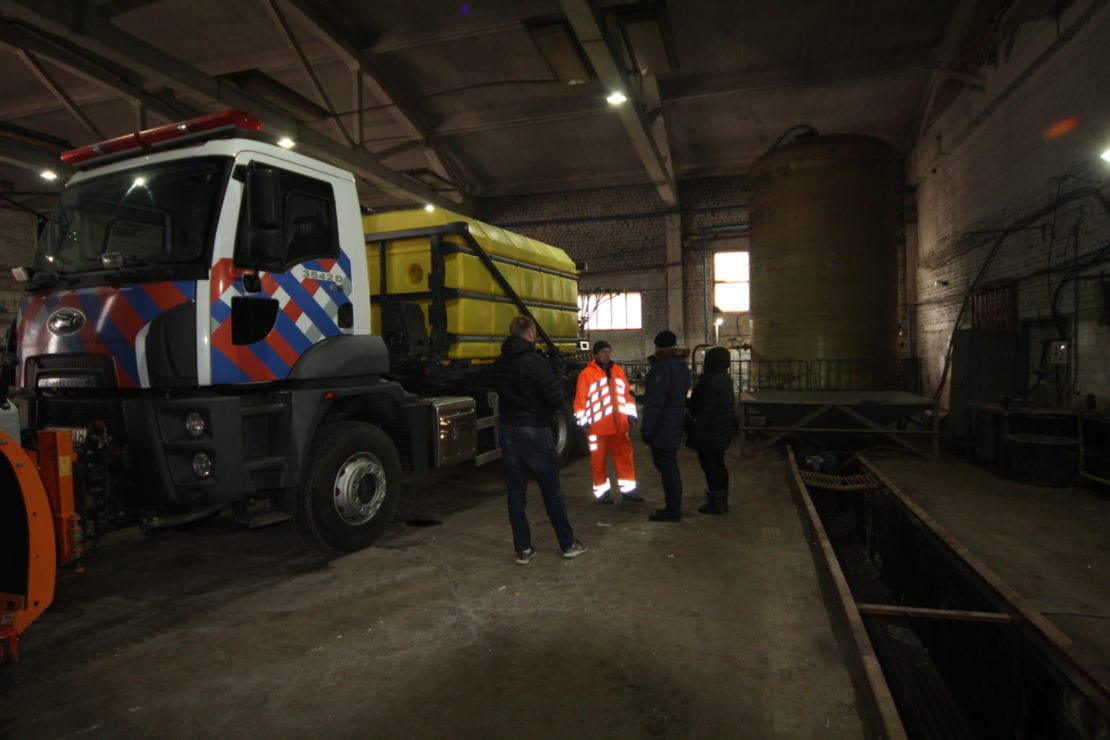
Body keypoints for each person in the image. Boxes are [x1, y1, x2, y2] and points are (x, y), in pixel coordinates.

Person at [493, 315, 588, 563]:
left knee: (515, 492)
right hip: (534, 430)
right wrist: (555, 378)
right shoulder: (535, 362)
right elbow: (555, 399)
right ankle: (568, 544)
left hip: (509, 430)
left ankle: (523, 550)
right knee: (552, 491)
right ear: (532, 334)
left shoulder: (500, 362)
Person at [573, 340, 643, 505]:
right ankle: (602, 494)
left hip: (619, 426)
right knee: (598, 462)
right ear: (595, 354)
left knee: (625, 460)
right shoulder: (586, 375)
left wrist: (631, 416)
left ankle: (629, 492)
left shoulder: (618, 371)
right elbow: (580, 400)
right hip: (597, 428)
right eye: (603, 352)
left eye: (608, 351)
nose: (606, 355)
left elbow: (627, 396)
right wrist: (583, 422)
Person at [639, 330, 691, 522]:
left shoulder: (662, 368)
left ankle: (673, 509)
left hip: (663, 425)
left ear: (659, 346)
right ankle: (673, 506)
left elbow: (656, 402)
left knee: (667, 466)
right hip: (675, 420)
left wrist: (646, 430)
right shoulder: (682, 365)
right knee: (671, 465)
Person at [686, 346, 736, 514]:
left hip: (710, 432)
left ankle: (716, 502)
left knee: (711, 466)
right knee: (719, 464)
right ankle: (722, 499)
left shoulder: (710, 381)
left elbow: (704, 409)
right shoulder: (724, 378)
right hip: (721, 431)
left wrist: (696, 432)